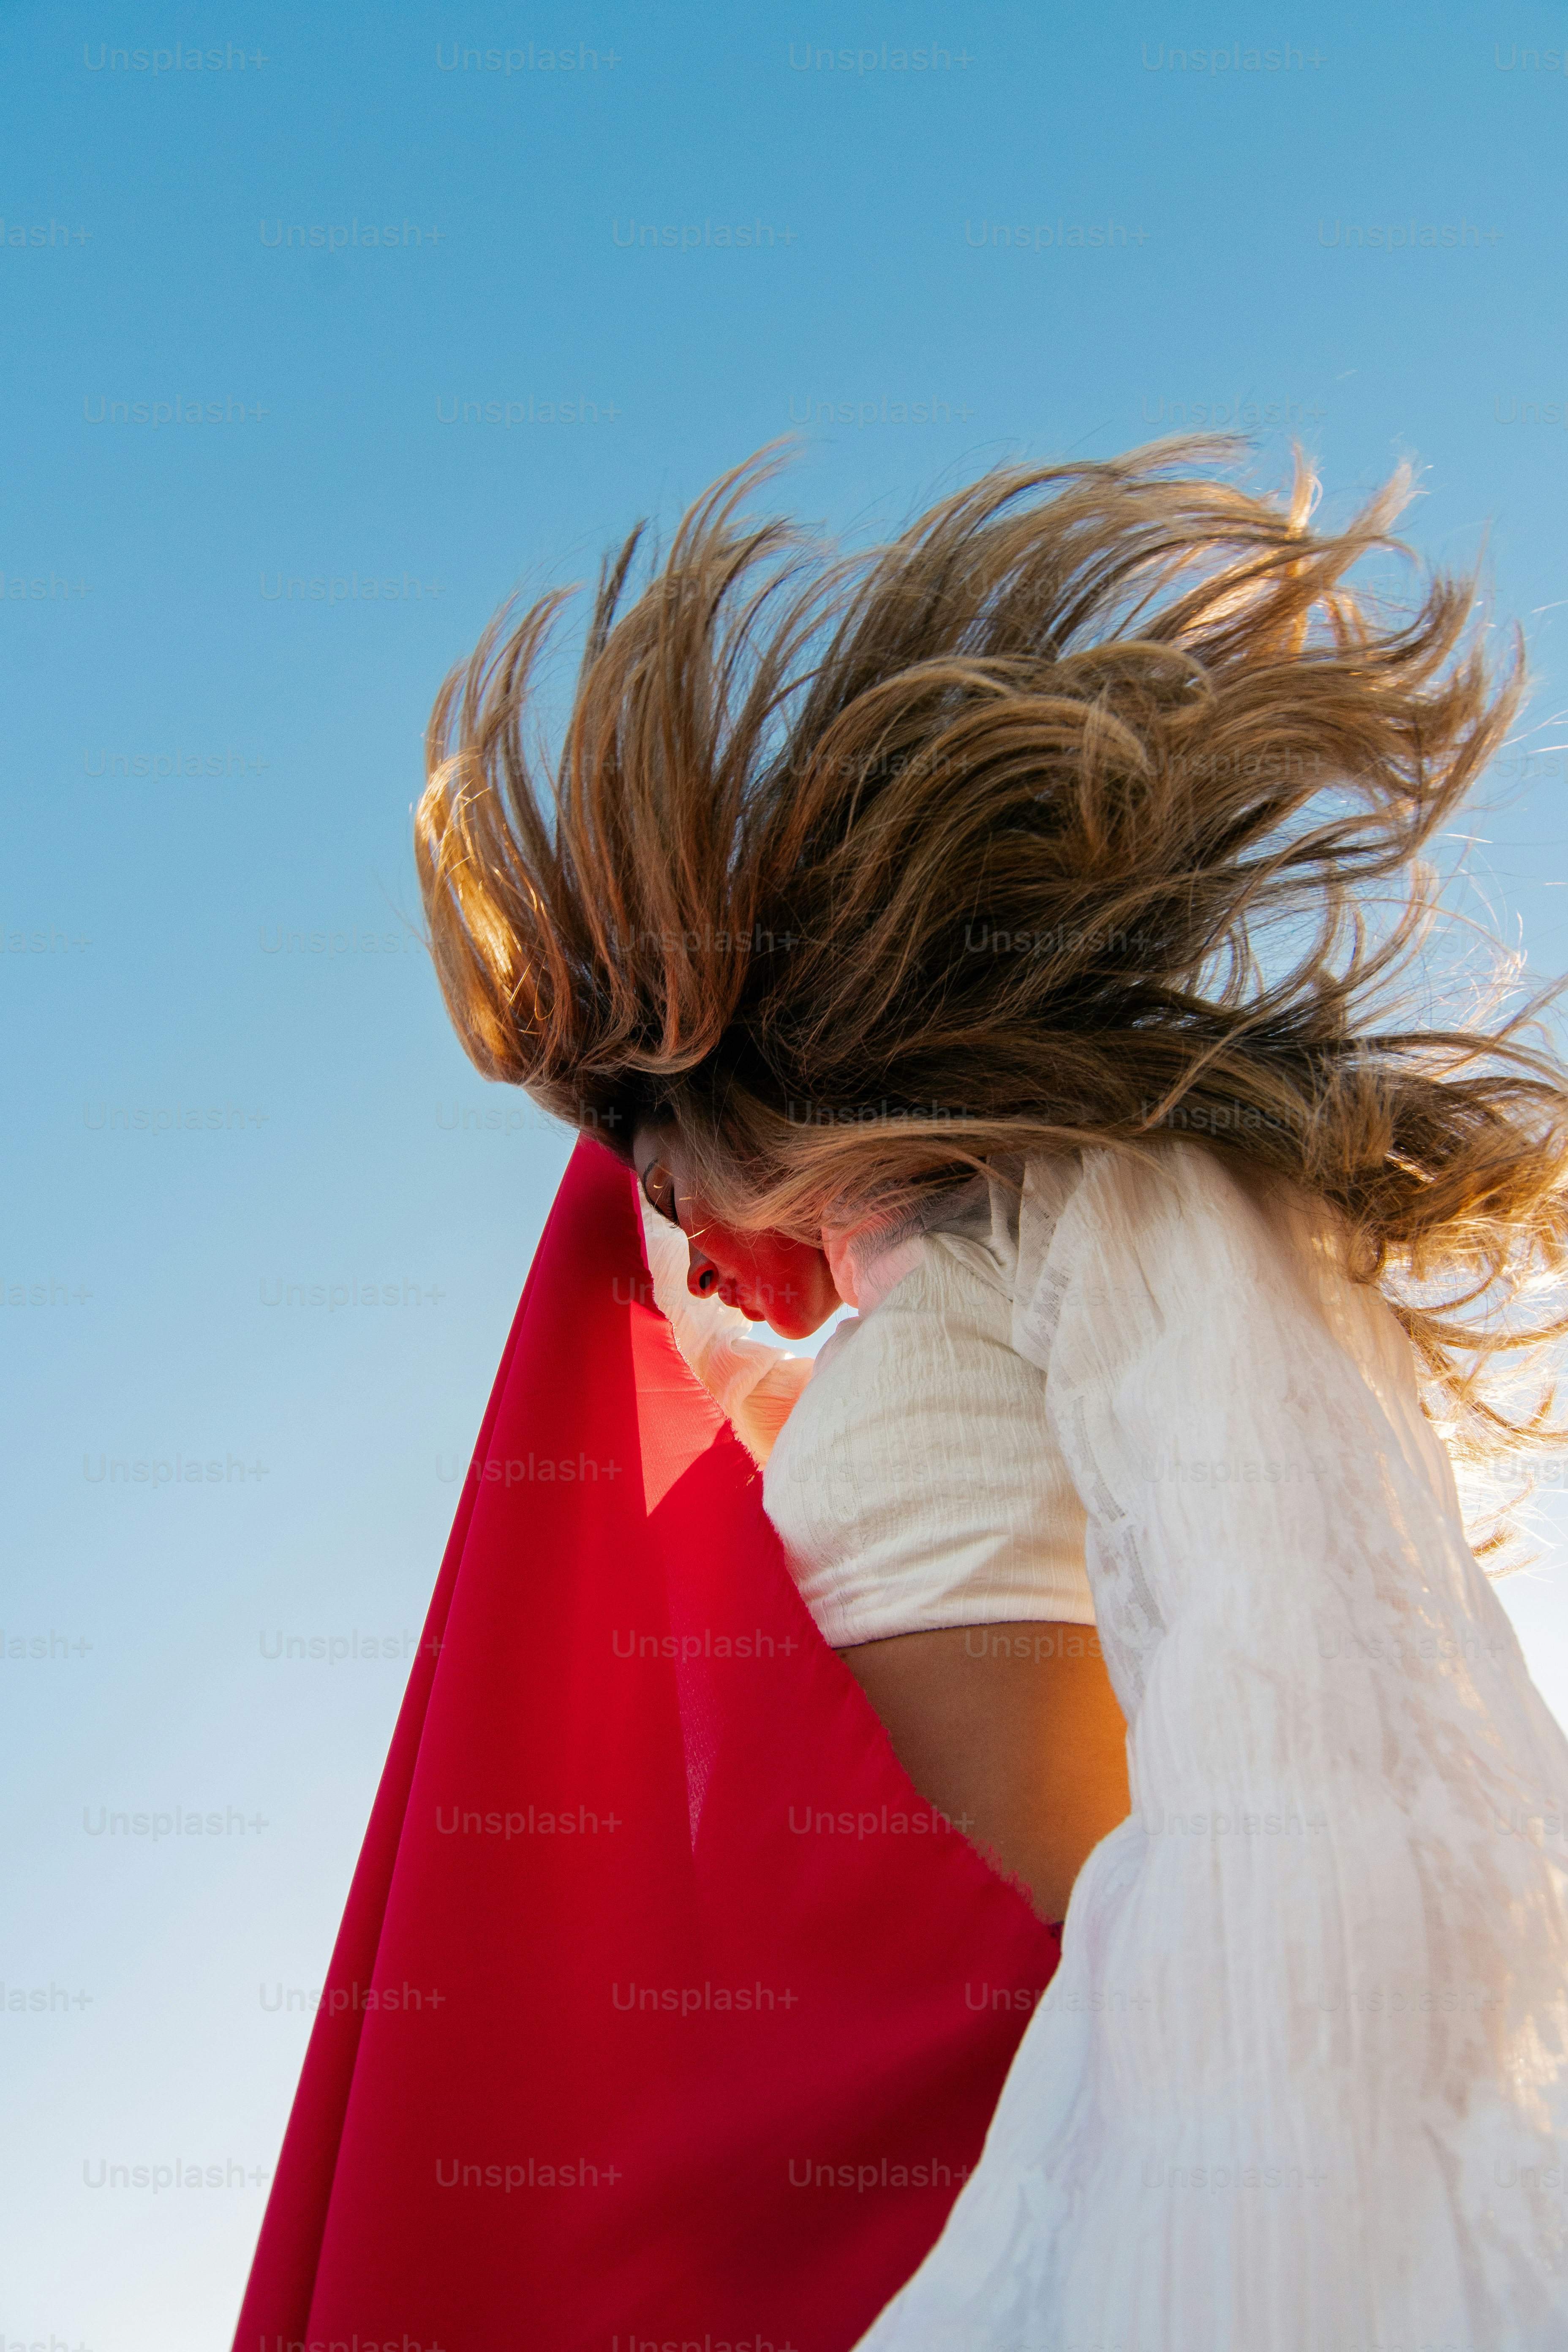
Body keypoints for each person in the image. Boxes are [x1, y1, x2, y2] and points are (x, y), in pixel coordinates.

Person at [411, 439, 1568, 2347]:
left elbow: (1318, 1723)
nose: (667, 1239)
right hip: (947, 2193)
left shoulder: (1105, 1206)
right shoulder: (915, 1318)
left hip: (1129, 2158)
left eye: (645, 1166)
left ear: (722, 1106)